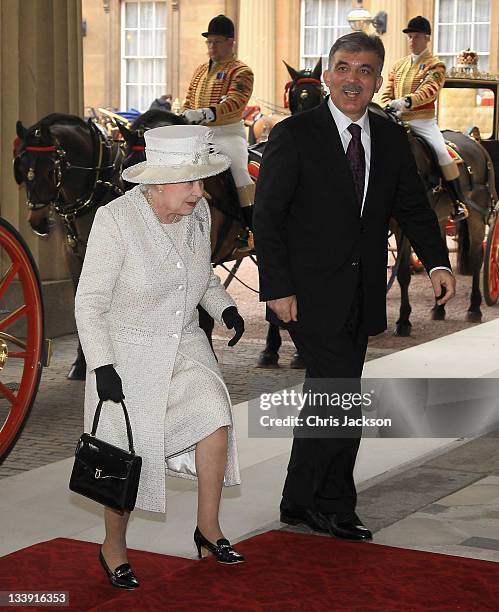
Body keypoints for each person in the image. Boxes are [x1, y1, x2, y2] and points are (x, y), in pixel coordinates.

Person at [253, 32, 455, 542]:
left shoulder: (388, 138)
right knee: (341, 392)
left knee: (328, 389)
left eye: (364, 70)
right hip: (306, 291)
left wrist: (436, 264)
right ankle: (335, 504)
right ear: (327, 74)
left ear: (378, 80)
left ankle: (297, 500)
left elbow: (411, 206)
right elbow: (269, 216)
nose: (352, 79)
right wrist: (275, 287)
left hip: (363, 289)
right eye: (343, 67)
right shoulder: (294, 134)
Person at [74, 124, 246, 590]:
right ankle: (114, 547)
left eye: (201, 180)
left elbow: (202, 276)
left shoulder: (199, 214)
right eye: (188, 181)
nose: (198, 191)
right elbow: (89, 302)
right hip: (125, 354)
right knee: (125, 455)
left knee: (215, 414)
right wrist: (102, 366)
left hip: (185, 343)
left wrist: (224, 307)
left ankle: (208, 530)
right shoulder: (117, 221)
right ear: (156, 181)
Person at [379, 15, 469, 221]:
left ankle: (458, 202)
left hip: (422, 121)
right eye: (410, 37)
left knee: (441, 152)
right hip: (396, 118)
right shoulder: (399, 65)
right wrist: (387, 104)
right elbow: (387, 91)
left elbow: (430, 90)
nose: (412, 41)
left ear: (427, 38)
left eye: (416, 37)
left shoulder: (435, 65)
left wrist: (406, 102)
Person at [181, 14, 255, 244]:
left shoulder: (241, 71)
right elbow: (189, 99)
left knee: (238, 170)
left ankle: (250, 229)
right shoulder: (201, 70)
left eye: (217, 41)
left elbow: (235, 101)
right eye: (209, 42)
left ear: (231, 42)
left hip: (227, 134)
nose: (212, 46)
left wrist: (205, 113)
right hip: (196, 134)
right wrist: (184, 115)